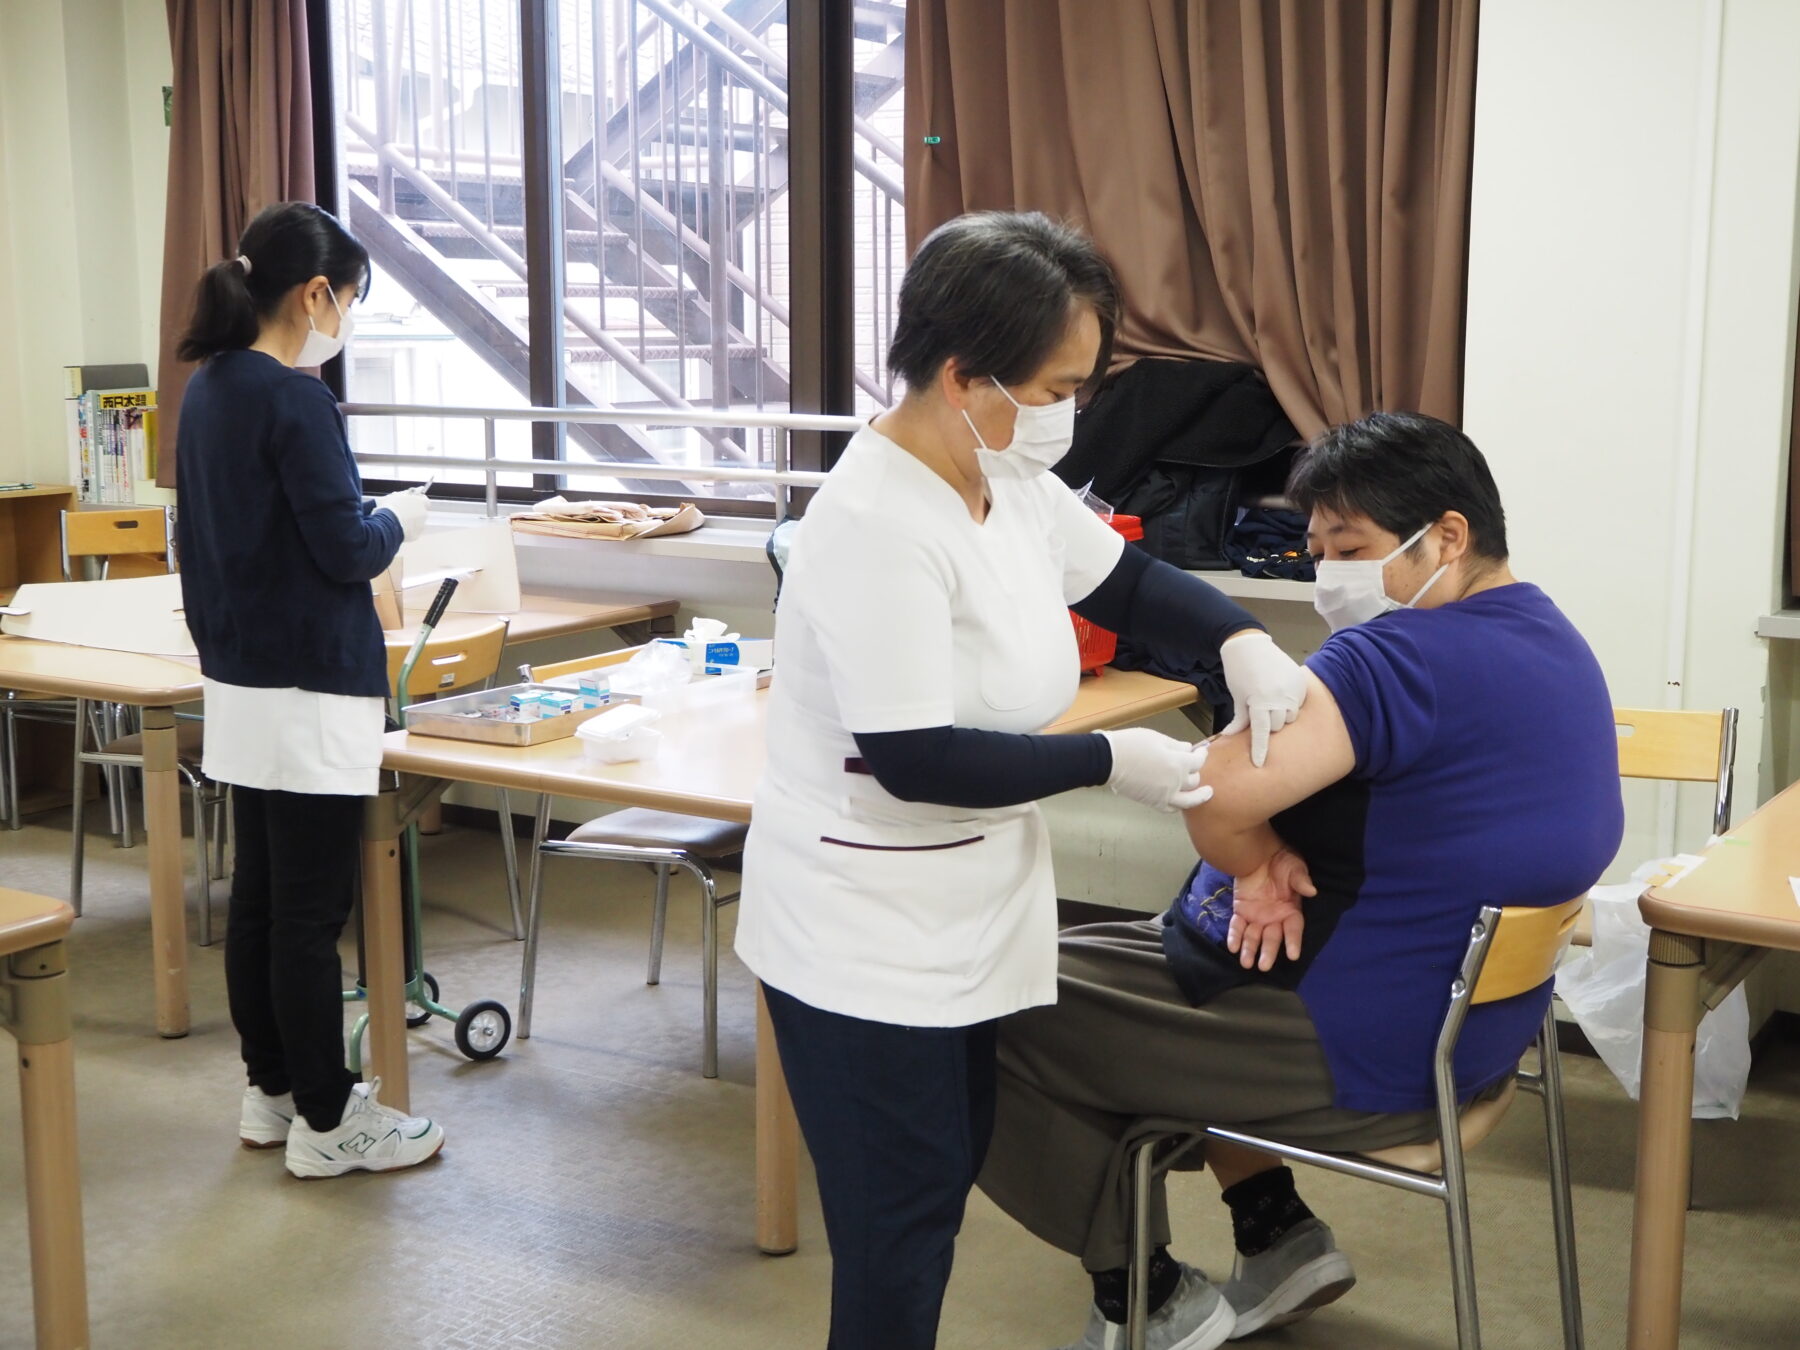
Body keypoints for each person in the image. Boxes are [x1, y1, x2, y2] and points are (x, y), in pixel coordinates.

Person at [734, 211, 1317, 1350]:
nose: (1070, 413)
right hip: (861, 924)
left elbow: (1130, 585)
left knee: (939, 1184)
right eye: (1056, 389)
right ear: (964, 375)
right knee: (897, 1230)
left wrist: (1240, 636)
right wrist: (1114, 760)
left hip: (974, 901)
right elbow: (915, 758)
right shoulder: (872, 522)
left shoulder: (1004, 474)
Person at [975, 412, 1624, 1350]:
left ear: (1448, 535)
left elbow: (1212, 792)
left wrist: (1253, 864)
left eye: (1351, 550)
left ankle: (1145, 1291)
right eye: (1316, 552)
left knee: (991, 1001)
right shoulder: (1554, 638)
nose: (1329, 577)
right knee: (1124, 968)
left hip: (1362, 1048)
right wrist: (1257, 869)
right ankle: (1275, 1231)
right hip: (1477, 1035)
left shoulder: (1393, 659)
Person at [175, 201, 445, 1179]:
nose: (347, 321)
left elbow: (219, 536)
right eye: (351, 301)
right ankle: (330, 1124)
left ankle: (274, 1092)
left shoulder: (209, 389)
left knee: (259, 900)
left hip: (240, 680)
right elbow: (345, 549)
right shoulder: (294, 399)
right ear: (316, 294)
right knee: (307, 917)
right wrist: (399, 520)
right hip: (310, 686)